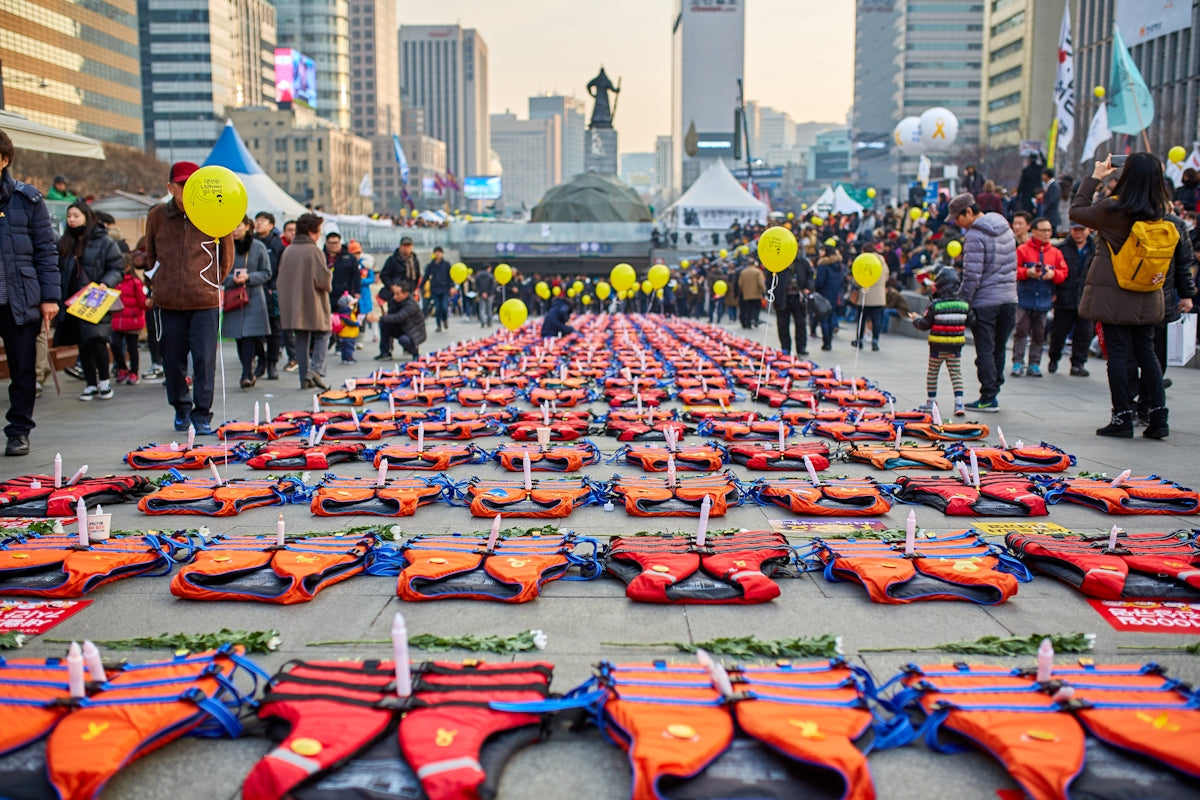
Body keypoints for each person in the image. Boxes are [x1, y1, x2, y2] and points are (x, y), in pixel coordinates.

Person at [1071, 153, 1177, 439]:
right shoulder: (1160, 210)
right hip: (1149, 292)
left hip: (1115, 292)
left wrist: (1095, 177)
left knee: (1117, 353)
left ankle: (1122, 417)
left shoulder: (1116, 209)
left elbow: (1077, 211)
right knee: (1147, 352)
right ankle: (1158, 416)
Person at [143, 161, 234, 433]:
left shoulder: (215, 213)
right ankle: (181, 409)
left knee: (204, 359)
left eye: (193, 184)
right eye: (182, 185)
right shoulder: (157, 215)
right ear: (171, 187)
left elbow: (226, 257)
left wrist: (210, 282)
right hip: (167, 301)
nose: (187, 190)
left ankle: (202, 414)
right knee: (171, 359)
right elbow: (150, 254)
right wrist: (158, 282)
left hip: (203, 300)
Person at [0, 131, 61, 455]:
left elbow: (46, 251)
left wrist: (49, 297)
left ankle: (19, 430)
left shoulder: (28, 200)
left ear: (4, 160)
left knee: (23, 369)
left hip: (19, 299)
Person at [949, 192, 1018, 413]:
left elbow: (972, 276)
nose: (956, 223)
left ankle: (988, 397)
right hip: (1009, 298)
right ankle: (994, 390)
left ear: (968, 212)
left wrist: (962, 301)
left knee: (986, 350)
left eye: (957, 218)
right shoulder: (1004, 224)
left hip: (986, 301)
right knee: (999, 348)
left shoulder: (974, 235)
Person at [56, 201, 123, 400]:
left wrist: (105, 283)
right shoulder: (65, 242)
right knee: (82, 342)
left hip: (96, 298)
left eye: (76, 215)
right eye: (69, 216)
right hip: (72, 300)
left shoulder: (104, 241)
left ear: (87, 216)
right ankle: (90, 384)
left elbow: (117, 267)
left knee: (96, 340)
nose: (72, 219)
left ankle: (104, 381)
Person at [910, 267, 974, 416]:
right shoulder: (963, 305)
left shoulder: (935, 305)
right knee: (956, 374)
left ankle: (931, 402)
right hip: (955, 347)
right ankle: (959, 403)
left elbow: (925, 324)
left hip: (937, 348)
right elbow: (972, 321)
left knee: (933, 373)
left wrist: (915, 319)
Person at [277, 213, 331, 390]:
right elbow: (323, 280)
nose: (319, 235)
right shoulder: (314, 251)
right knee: (323, 333)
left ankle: (304, 378)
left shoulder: (289, 250)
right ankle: (315, 369)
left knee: (301, 337)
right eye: (318, 231)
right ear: (311, 231)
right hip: (313, 301)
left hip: (293, 303)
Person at [1011, 217, 1067, 378]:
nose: (1046, 234)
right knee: (1021, 331)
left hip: (1043, 299)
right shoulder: (1022, 250)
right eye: (1043, 230)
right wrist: (1026, 273)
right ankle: (1018, 362)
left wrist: (1053, 274)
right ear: (1033, 231)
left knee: (1039, 334)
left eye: (1049, 230)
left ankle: (1034, 363)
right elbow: (1013, 270)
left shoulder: (1055, 253)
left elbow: (1064, 273)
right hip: (1024, 297)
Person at [222, 217, 272, 390]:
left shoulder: (258, 247)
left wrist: (249, 277)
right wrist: (232, 279)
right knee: (239, 337)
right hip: (233, 297)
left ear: (247, 226)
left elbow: (267, 272)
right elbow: (218, 273)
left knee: (250, 335)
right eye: (232, 227)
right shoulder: (225, 247)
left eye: (238, 226)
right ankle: (252, 365)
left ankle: (246, 373)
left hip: (254, 297)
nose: (235, 230)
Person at [1048, 222, 1095, 376]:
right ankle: (1054, 358)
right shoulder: (1062, 248)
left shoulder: (1095, 249)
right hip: (1065, 296)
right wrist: (1053, 292)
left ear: (1088, 230)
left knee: (1084, 333)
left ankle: (1078, 364)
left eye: (1082, 230)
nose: (1078, 233)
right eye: (1075, 230)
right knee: (1059, 332)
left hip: (1087, 298)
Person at [253, 211, 285, 380]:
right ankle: (261, 360)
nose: (259, 223)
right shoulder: (250, 242)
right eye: (257, 220)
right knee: (255, 331)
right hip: (254, 290)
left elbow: (281, 269)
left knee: (274, 330)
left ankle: (272, 363)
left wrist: (275, 287)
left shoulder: (278, 245)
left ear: (271, 225)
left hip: (273, 291)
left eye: (263, 221)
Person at [377, 236, 420, 359]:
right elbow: (384, 274)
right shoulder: (393, 260)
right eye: (404, 246)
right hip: (395, 295)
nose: (407, 249)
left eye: (409, 246)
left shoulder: (414, 260)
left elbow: (416, 276)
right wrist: (392, 286)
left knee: (408, 322)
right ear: (400, 246)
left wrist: (411, 290)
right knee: (389, 321)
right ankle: (386, 350)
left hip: (408, 294)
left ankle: (410, 347)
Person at [111, 253, 147, 385]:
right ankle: (122, 368)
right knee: (115, 344)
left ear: (127, 267)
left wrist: (147, 304)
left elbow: (142, 301)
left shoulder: (135, 282)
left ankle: (133, 372)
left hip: (132, 321)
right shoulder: (114, 282)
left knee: (132, 348)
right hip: (116, 320)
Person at [369, 280, 425, 359]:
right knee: (385, 323)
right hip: (401, 327)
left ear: (405, 294)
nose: (395, 296)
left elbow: (399, 317)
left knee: (404, 340)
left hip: (413, 332)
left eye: (397, 294)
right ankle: (385, 352)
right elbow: (390, 316)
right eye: (394, 293)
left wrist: (379, 318)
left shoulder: (411, 305)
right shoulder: (394, 301)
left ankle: (415, 352)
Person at [774, 252, 812, 355]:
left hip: (798, 297)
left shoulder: (802, 262)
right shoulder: (778, 262)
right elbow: (770, 278)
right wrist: (773, 292)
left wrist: (808, 288)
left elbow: (810, 275)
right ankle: (785, 347)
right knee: (783, 325)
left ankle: (801, 347)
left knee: (801, 324)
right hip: (782, 297)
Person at [813, 243, 844, 351]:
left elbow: (819, 282)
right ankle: (829, 339)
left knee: (824, 319)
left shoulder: (823, 265)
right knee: (831, 317)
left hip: (824, 294)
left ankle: (826, 342)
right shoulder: (838, 265)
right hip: (835, 294)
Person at [325, 231, 360, 310]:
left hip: (345, 294)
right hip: (327, 294)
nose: (333, 246)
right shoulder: (321, 257)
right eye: (331, 243)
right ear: (327, 243)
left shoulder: (350, 258)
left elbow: (356, 276)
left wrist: (357, 292)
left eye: (336, 243)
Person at [422, 246, 452, 332]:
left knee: (444, 307)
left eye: (439, 252)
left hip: (444, 289)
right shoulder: (431, 265)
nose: (438, 254)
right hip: (435, 289)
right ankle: (438, 325)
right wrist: (421, 286)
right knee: (437, 308)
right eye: (436, 252)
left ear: (442, 254)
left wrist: (451, 287)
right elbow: (426, 276)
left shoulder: (446, 264)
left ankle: (445, 319)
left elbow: (450, 277)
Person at [736, 261, 765, 329]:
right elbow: (760, 282)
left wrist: (744, 289)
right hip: (756, 294)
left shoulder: (743, 272)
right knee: (756, 308)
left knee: (747, 309)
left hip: (746, 294)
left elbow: (740, 283)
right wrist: (763, 290)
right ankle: (755, 320)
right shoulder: (758, 272)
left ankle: (748, 322)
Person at [1041, 169, 1062, 233]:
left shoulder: (1054, 186)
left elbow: (1052, 201)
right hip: (1049, 216)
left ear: (1046, 175)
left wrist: (1045, 208)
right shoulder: (1050, 185)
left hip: (1051, 217)